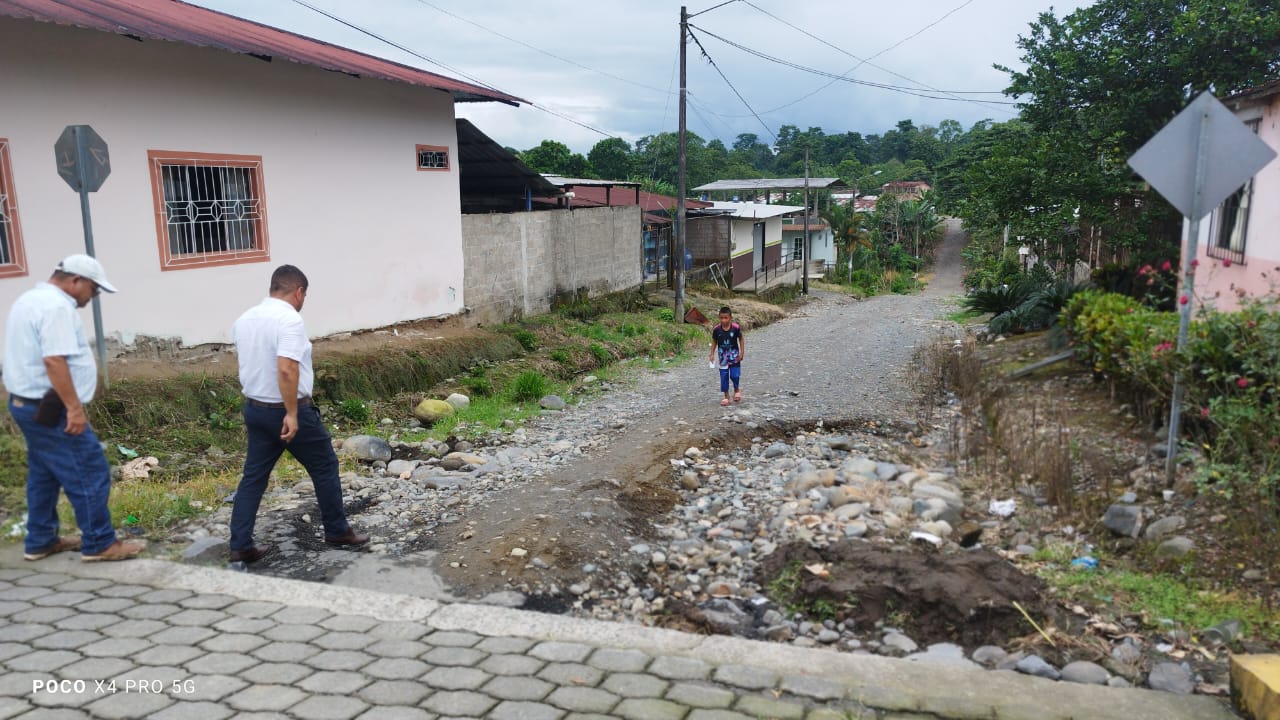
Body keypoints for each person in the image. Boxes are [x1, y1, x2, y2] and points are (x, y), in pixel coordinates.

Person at [4, 254, 145, 562]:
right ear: (75, 280)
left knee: (44, 473)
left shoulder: (29, 300)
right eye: (93, 289)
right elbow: (55, 360)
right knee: (90, 469)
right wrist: (74, 409)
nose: (92, 297)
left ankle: (40, 539)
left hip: (25, 404)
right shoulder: (56, 308)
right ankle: (99, 543)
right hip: (50, 407)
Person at [229, 265, 367, 563]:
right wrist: (291, 413)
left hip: (255, 408)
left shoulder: (244, 319)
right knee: (324, 465)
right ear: (299, 291)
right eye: (305, 295)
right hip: (288, 411)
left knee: (254, 477)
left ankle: (240, 545)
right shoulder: (289, 319)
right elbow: (286, 369)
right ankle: (337, 530)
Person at [708, 305, 745, 406]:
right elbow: (714, 341)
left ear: (730, 318)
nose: (723, 320)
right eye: (721, 318)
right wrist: (711, 354)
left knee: (735, 375)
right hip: (722, 358)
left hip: (734, 356)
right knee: (724, 376)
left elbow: (741, 339)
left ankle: (736, 390)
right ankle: (726, 397)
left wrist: (742, 353)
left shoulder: (736, 328)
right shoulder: (717, 329)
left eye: (726, 318)